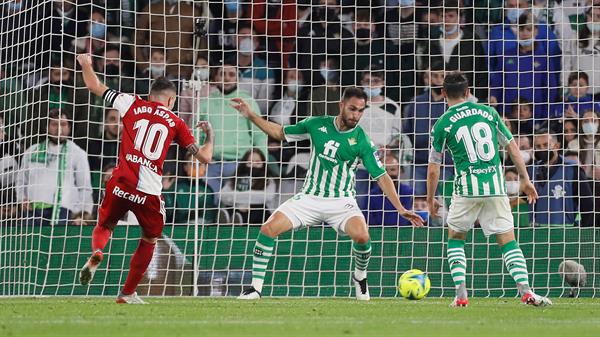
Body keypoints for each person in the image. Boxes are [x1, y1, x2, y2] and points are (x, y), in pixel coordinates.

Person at [231, 87, 423, 301]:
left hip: (342, 202)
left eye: (360, 111)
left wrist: (401, 208)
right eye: (352, 109)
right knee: (267, 229)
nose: (356, 115)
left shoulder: (362, 141)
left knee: (362, 236)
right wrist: (251, 115)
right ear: (341, 105)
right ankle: (255, 288)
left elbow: (381, 176)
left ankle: (360, 277)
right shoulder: (316, 124)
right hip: (309, 198)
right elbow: (279, 133)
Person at [76, 53, 214, 304]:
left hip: (120, 182)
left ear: (150, 95)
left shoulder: (131, 103)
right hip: (148, 192)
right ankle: (127, 293)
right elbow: (204, 158)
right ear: (171, 100)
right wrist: (210, 136)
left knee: (105, 225)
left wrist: (86, 63)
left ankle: (97, 251)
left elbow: (94, 85)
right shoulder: (176, 122)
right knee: (149, 239)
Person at [426, 71, 552, 307]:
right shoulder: (488, 112)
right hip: (495, 185)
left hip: (466, 188)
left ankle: (461, 295)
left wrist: (431, 198)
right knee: (508, 240)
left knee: (456, 238)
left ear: (443, 93)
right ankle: (526, 292)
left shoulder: (442, 123)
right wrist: (525, 179)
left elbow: (434, 168)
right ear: (468, 92)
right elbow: (513, 147)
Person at [16, 109, 93, 226]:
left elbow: (85, 187)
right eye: (54, 124)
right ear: (46, 127)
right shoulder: (32, 151)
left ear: (69, 128)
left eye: (63, 124)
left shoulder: (78, 153)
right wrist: (21, 198)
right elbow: (21, 180)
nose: (59, 129)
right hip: (33, 211)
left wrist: (79, 212)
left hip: (64, 212)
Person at [531, 132, 594, 227]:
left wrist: (583, 232)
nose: (542, 149)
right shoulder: (532, 170)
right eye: (538, 146)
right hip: (538, 233)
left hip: (565, 233)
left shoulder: (573, 170)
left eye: (546, 145)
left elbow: (587, 205)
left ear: (556, 146)